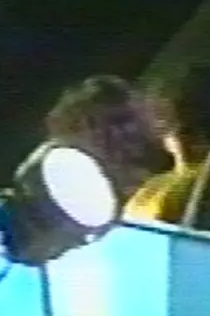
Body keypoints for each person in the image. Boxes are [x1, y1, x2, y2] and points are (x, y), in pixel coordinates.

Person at [44, 75, 200, 223]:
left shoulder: (194, 163)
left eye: (122, 120)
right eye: (101, 134)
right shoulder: (139, 212)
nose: (119, 136)